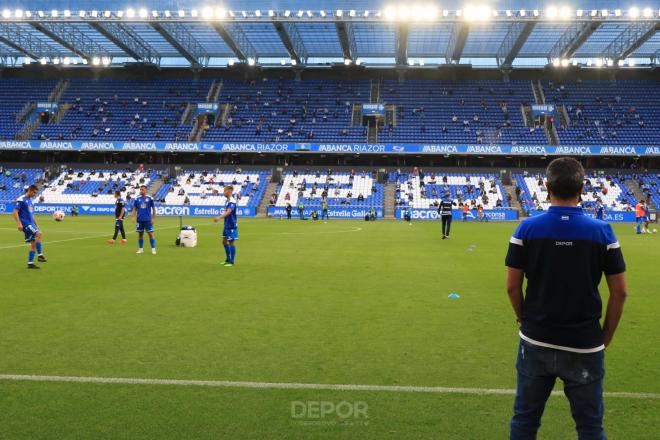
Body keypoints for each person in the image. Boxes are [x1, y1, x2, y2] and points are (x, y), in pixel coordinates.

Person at [506, 157, 628, 439]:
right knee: (590, 427)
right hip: (585, 343)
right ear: (581, 189)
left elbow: (513, 287)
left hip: (536, 339)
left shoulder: (526, 229)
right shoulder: (602, 231)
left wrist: (525, 320)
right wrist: (604, 337)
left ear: (546, 186)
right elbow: (620, 291)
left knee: (524, 422)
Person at [13, 185, 46, 269]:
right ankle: (40, 255)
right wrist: (19, 224)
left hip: (31, 224)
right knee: (39, 234)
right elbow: (15, 212)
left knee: (33, 244)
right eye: (34, 192)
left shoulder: (30, 200)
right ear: (30, 190)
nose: (35, 194)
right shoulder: (21, 199)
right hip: (26, 224)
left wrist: (36, 224)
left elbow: (31, 214)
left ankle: (30, 263)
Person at [213, 186, 238, 267]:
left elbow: (229, 211)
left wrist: (219, 217)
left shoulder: (232, 201)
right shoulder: (227, 201)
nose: (223, 192)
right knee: (224, 241)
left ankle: (232, 261)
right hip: (226, 224)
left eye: (225, 191)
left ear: (229, 191)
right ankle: (227, 259)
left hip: (231, 224)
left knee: (231, 241)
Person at [132, 185, 157, 255]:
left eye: (142, 189)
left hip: (148, 220)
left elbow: (154, 209)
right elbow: (134, 208)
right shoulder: (137, 199)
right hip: (139, 220)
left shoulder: (150, 198)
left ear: (146, 190)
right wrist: (133, 217)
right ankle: (140, 249)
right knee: (140, 234)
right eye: (140, 189)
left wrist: (153, 218)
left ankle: (153, 249)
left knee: (150, 234)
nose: (141, 191)